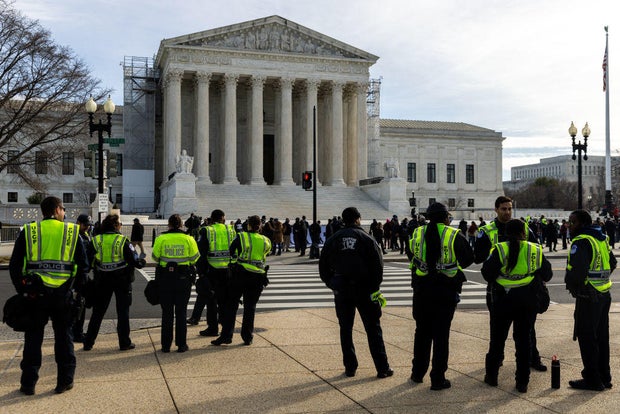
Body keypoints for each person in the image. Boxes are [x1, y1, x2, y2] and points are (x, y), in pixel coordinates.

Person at [9, 196, 89, 395]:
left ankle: (28, 384)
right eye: (63, 209)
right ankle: (64, 381)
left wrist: (24, 290)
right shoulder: (71, 231)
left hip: (35, 295)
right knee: (64, 338)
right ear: (56, 210)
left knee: (33, 339)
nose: (65, 213)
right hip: (63, 294)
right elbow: (84, 266)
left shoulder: (28, 231)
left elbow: (15, 266)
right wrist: (75, 289)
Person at [474, 196, 547, 372]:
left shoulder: (524, 228)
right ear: (496, 210)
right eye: (503, 209)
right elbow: (477, 256)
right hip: (498, 287)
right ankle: (496, 360)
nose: (507, 212)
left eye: (509, 209)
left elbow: (535, 252)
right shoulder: (487, 230)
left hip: (525, 288)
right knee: (497, 330)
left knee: (529, 329)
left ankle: (533, 358)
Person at [319, 207, 393, 379]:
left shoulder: (333, 239)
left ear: (344, 220)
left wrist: (333, 284)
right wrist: (374, 287)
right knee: (373, 329)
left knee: (345, 329)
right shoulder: (367, 238)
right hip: (364, 289)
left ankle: (350, 367)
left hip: (342, 289)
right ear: (358, 219)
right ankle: (382, 368)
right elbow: (378, 267)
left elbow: (323, 267)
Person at [407, 202, 474, 390]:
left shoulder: (418, 233)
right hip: (445, 290)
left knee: (421, 333)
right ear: (446, 217)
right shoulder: (453, 234)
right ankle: (437, 377)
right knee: (441, 336)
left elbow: (410, 253)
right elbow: (468, 258)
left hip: (422, 289)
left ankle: (417, 373)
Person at [481, 219, 553, 393]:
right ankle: (522, 381)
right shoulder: (534, 249)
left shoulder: (499, 249)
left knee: (497, 340)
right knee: (524, 342)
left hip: (503, 299)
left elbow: (487, 273)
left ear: (506, 232)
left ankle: (492, 376)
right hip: (527, 300)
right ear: (524, 232)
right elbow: (548, 274)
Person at [565, 210, 616, 391]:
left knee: (587, 338)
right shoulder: (601, 238)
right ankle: (604, 376)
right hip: (604, 293)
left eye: (573, 222)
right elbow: (613, 263)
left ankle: (592, 379)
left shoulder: (581, 241)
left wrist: (574, 284)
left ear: (582, 223)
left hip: (588, 296)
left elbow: (578, 271)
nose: (569, 225)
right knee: (601, 338)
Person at [83, 214, 145, 352]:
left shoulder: (95, 240)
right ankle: (124, 343)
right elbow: (134, 260)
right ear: (116, 225)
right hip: (122, 280)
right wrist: (141, 262)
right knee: (123, 312)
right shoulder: (123, 240)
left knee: (98, 312)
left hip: (102, 279)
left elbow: (88, 261)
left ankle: (88, 342)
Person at [211, 215, 272, 346]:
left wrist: (232, 266)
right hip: (258, 276)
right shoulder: (266, 240)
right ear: (260, 226)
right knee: (250, 308)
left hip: (241, 274)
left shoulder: (241, 236)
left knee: (231, 306)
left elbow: (231, 252)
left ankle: (226, 335)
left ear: (248, 225)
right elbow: (266, 254)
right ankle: (247, 336)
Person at [152, 214, 200, 353]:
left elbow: (155, 257)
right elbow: (194, 258)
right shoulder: (188, 239)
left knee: (166, 313)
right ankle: (181, 345)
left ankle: (165, 345)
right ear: (181, 224)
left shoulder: (161, 238)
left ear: (169, 224)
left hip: (165, 279)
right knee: (181, 312)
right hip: (183, 280)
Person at [195, 209, 237, 337]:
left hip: (211, 270)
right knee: (225, 300)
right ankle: (225, 328)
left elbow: (201, 253)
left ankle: (213, 328)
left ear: (211, 219)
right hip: (228, 270)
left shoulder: (207, 230)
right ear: (223, 218)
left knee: (211, 300)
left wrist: (201, 272)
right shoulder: (231, 230)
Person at [72, 214, 94, 343]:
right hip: (77, 275)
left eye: (88, 225)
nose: (87, 227)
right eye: (85, 225)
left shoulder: (85, 235)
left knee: (82, 304)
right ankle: (77, 333)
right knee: (78, 304)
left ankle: (77, 331)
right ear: (79, 223)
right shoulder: (75, 235)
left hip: (83, 273)